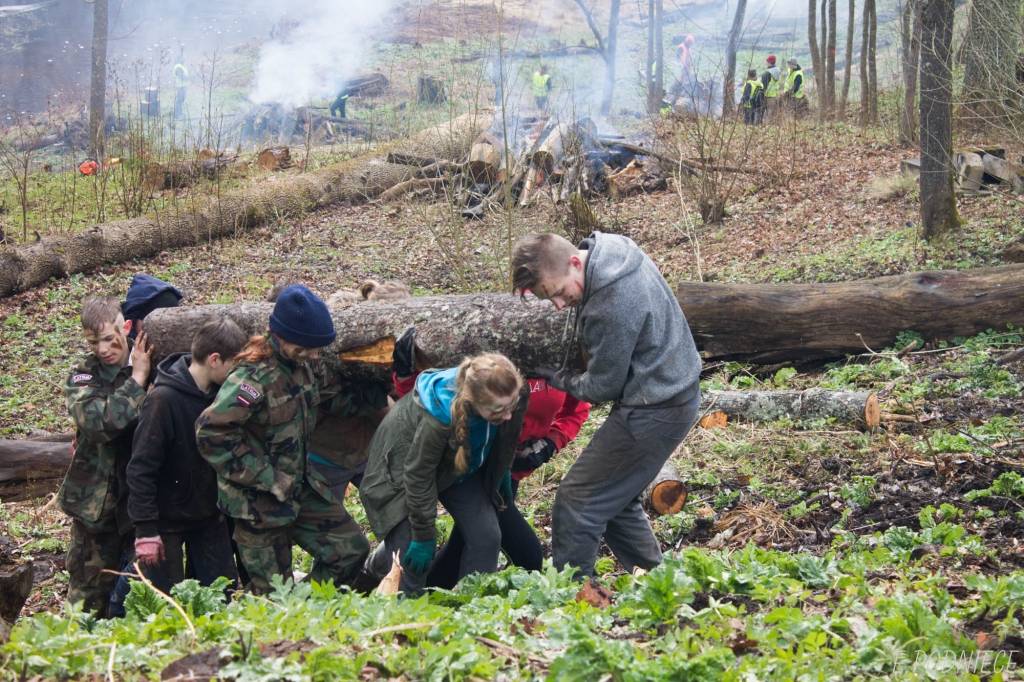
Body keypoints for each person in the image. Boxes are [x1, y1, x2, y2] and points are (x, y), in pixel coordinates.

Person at [510, 232, 702, 578]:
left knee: (577, 499)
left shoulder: (609, 303)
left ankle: (575, 597)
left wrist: (557, 377)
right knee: (614, 501)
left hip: (656, 408)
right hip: (670, 394)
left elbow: (601, 386)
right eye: (547, 298)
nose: (558, 305)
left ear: (573, 263)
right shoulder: (613, 249)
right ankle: (657, 584)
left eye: (557, 293)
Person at [196, 284, 387, 594]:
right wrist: (267, 477)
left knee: (350, 551)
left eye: (316, 348)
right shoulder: (251, 379)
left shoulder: (302, 366)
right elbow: (211, 433)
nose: (314, 355)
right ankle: (289, 627)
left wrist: (386, 391)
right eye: (307, 347)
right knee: (274, 596)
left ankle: (309, 606)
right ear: (283, 335)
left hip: (299, 489)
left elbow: (332, 398)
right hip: (258, 506)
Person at [387, 330, 590, 589]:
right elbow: (437, 398)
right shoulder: (489, 359)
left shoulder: (561, 363)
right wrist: (405, 376)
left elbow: (578, 409)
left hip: (505, 470)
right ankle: (405, 585)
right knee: (522, 554)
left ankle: (444, 598)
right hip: (465, 461)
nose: (507, 415)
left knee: (475, 541)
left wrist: (550, 443)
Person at [360, 353, 528, 596]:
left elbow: (503, 439)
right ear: (474, 401)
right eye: (500, 410)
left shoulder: (505, 394)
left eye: (511, 406)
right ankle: (402, 616)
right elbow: (418, 477)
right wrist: (423, 535)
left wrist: (500, 472)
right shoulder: (438, 420)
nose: (509, 415)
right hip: (399, 476)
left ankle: (473, 608)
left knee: (487, 536)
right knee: (412, 562)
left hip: (456, 466)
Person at [127, 317, 248, 595]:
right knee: (162, 602)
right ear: (215, 360)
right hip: (165, 521)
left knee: (220, 595)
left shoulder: (222, 396)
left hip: (209, 517)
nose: (238, 374)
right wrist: (145, 529)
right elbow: (141, 468)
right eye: (235, 365)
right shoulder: (163, 400)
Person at [60, 296, 152, 616]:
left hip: (140, 504)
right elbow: (99, 424)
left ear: (125, 328)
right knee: (87, 595)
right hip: (95, 508)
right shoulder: (83, 375)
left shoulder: (151, 361)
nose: (101, 350)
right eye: (93, 342)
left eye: (109, 339)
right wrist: (138, 381)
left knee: (137, 592)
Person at [761, 55, 782, 120]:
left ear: (769, 62)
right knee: (772, 113)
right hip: (775, 95)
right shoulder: (778, 70)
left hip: (767, 95)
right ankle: (770, 126)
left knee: (765, 113)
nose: (766, 63)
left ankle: (765, 127)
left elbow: (763, 86)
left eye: (767, 61)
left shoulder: (767, 73)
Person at [173, 55, 189, 120]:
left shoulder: (182, 66)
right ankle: (177, 115)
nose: (184, 60)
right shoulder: (178, 66)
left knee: (181, 100)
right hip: (180, 87)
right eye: (182, 58)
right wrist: (188, 78)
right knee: (179, 100)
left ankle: (180, 113)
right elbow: (180, 75)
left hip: (183, 86)